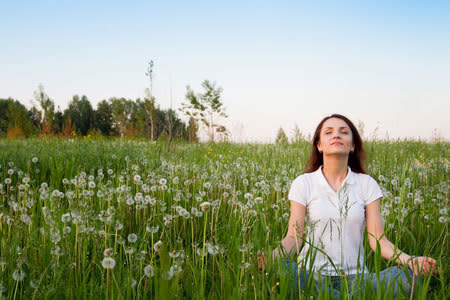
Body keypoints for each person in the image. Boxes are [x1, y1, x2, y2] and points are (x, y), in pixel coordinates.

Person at [258, 114, 437, 297]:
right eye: (328, 132)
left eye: (344, 132)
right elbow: (294, 238)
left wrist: (411, 261)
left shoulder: (366, 184)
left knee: (410, 276)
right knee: (282, 270)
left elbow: (378, 241)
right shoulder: (304, 183)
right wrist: (271, 258)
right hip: (311, 276)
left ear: (352, 146)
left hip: (357, 279)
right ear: (319, 145)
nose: (336, 135)